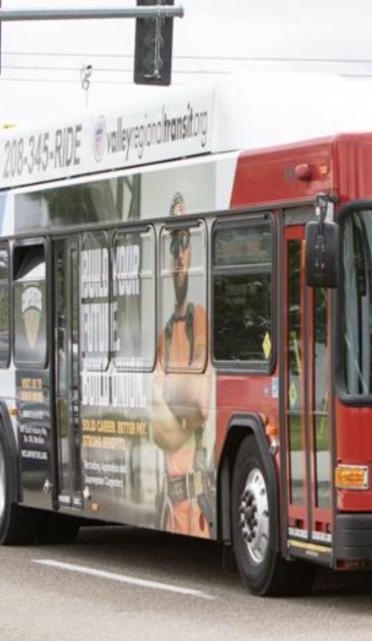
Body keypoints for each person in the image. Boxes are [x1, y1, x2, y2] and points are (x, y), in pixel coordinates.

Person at [151, 192, 213, 536]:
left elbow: (200, 405)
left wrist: (171, 399)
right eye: (173, 245)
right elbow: (161, 430)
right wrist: (177, 408)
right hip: (171, 508)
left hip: (200, 511)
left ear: (192, 253)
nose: (178, 255)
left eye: (184, 244)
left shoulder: (201, 321)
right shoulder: (163, 336)